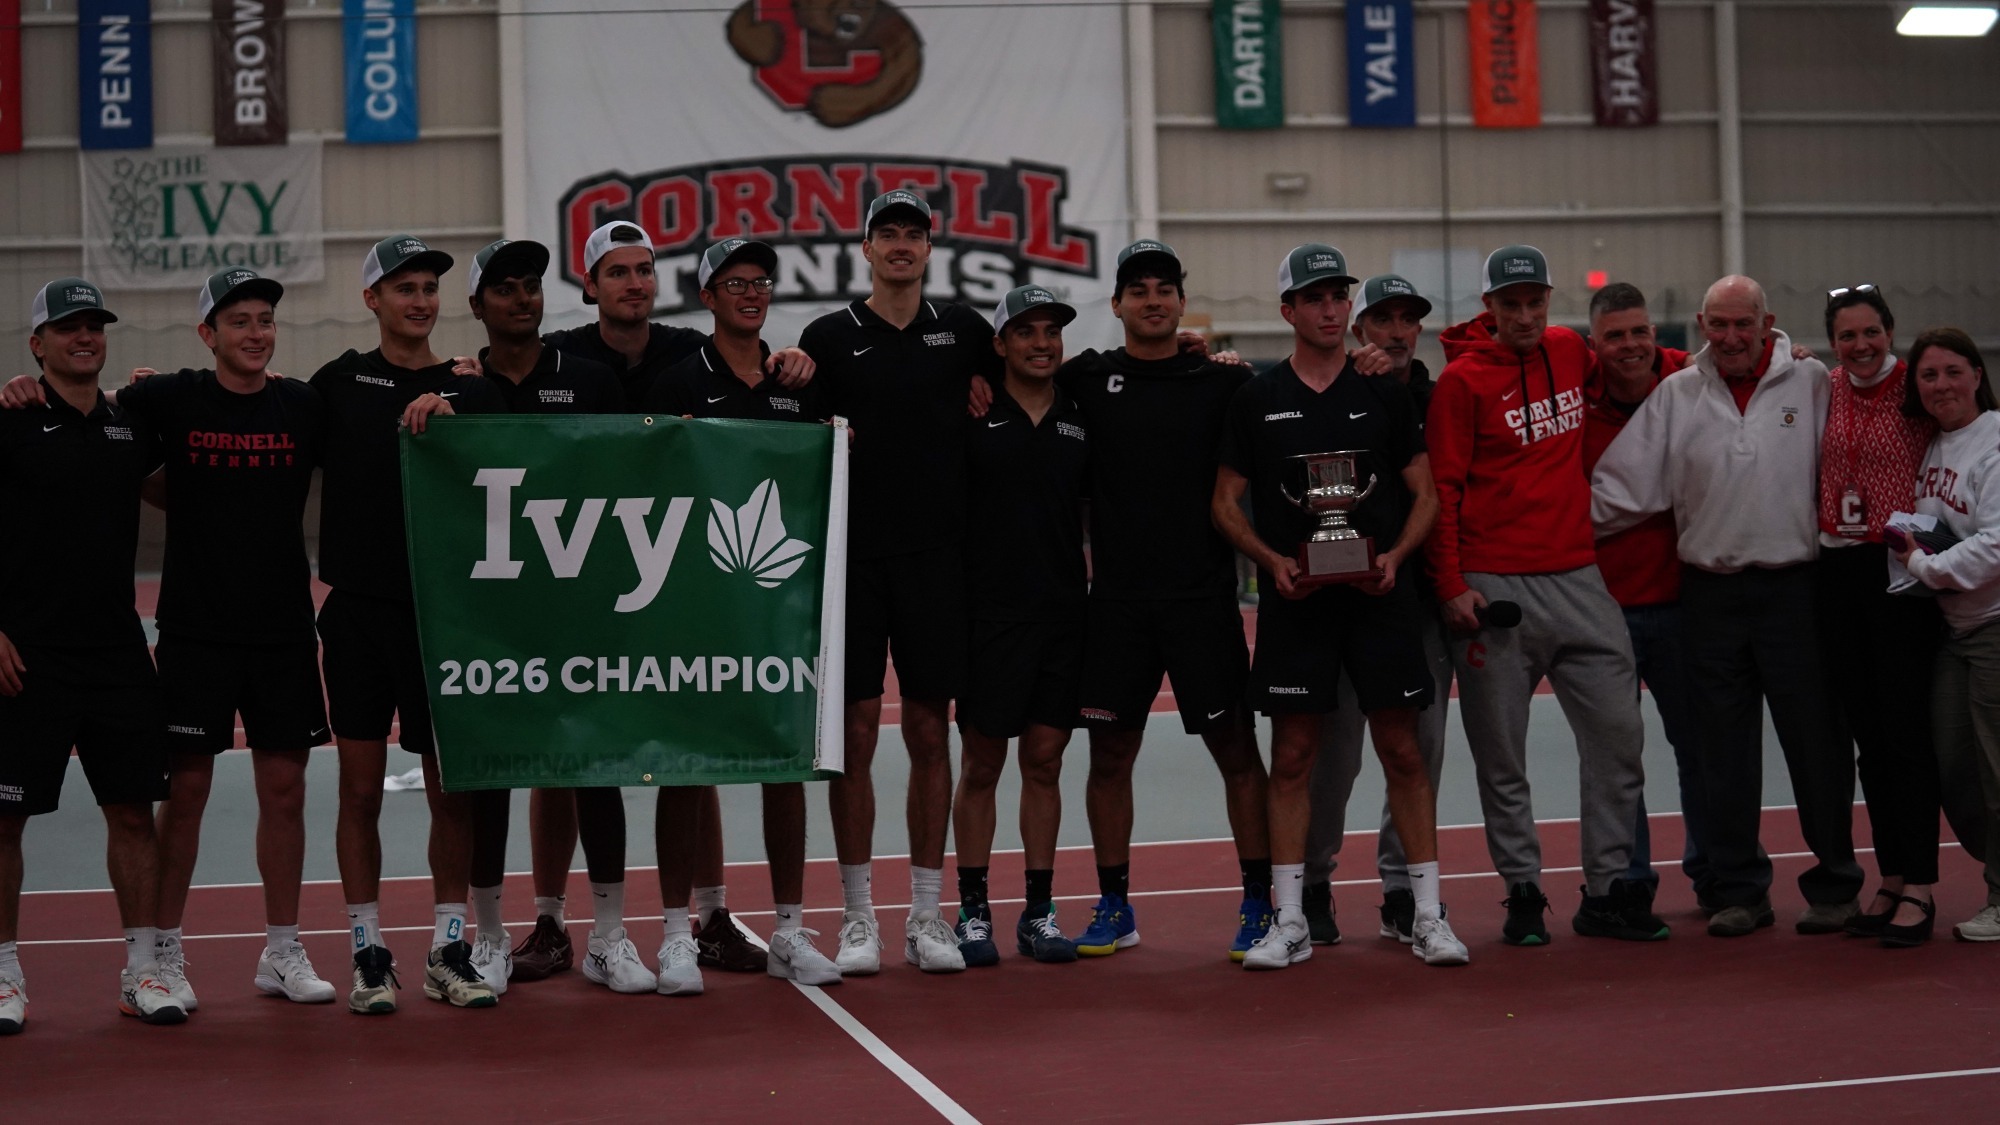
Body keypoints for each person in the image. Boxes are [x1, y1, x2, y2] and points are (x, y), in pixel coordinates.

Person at [30, 270, 337, 1010]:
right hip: (197, 630)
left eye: (265, 319)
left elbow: (365, 434)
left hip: (282, 631)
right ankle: (162, 949)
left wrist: (454, 382)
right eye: (239, 321)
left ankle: (282, 947)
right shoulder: (165, 398)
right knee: (187, 790)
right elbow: (85, 415)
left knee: (286, 791)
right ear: (208, 333)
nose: (256, 333)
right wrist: (23, 383)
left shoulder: (301, 404)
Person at [543, 220, 800, 989]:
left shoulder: (690, 354)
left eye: (644, 270)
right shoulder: (563, 357)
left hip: (681, 577)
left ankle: (710, 917)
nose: (634, 283)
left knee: (696, 748)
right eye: (617, 272)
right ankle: (553, 919)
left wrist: (794, 361)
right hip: (584, 577)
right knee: (567, 750)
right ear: (590, 285)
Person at [1213, 246, 1468, 969]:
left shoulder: (1382, 389)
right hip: (1298, 602)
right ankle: (1290, 918)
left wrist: (1392, 557)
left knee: (1403, 751)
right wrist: (1271, 564)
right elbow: (1223, 502)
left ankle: (1425, 914)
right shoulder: (1256, 398)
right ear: (1287, 309)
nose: (1331, 310)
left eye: (1338, 297)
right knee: (1293, 757)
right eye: (1315, 298)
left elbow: (1425, 494)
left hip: (1379, 599)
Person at [1592, 275, 1863, 938]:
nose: (1733, 338)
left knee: (1817, 744)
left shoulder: (1813, 383)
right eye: (1720, 325)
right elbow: (1619, 486)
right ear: (1702, 325)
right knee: (1723, 752)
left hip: (1796, 591)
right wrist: (1540, 541)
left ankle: (1836, 883)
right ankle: (1741, 887)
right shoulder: (1677, 393)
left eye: (1745, 324)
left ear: (1768, 322)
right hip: (1709, 595)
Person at [1428, 245, 1663, 945]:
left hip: (1580, 578)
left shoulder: (1569, 349)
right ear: (1490, 309)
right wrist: (1451, 586)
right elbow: (1443, 489)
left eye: (1535, 302)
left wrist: (1755, 356)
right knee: (1503, 755)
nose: (1526, 316)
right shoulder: (1462, 384)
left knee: (1620, 739)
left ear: (1549, 302)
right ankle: (1522, 890)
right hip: (1495, 587)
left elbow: (1633, 368)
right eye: (1511, 305)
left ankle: (1609, 888)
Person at [797, 191, 998, 975]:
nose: (903, 246)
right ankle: (856, 916)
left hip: (938, 562)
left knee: (926, 732)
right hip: (852, 564)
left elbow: (1039, 374)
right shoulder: (827, 337)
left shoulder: (967, 332)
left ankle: (925, 912)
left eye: (915, 234)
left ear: (928, 248)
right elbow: (788, 423)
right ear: (867, 248)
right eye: (890, 235)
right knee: (850, 735)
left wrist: (1201, 352)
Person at [1055, 240, 1273, 961]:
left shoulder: (1224, 384)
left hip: (1201, 600)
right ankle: (1114, 904)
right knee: (1109, 755)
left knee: (1236, 751)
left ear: (1181, 301)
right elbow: (1012, 376)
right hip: (1116, 602)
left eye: (1164, 288)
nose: (1152, 299)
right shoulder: (1084, 378)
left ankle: (1258, 903)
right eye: (1137, 289)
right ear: (1116, 304)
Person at [310, 235, 507, 1010]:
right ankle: (366, 951)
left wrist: (458, 402)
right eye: (403, 288)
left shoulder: (472, 386)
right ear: (372, 300)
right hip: (357, 614)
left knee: (448, 791)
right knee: (358, 791)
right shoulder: (335, 384)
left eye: (428, 287)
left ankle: (450, 948)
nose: (419, 299)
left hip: (444, 616)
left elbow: (510, 427)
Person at [639, 237, 841, 988]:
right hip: (698, 601)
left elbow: (830, 471)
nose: (750, 292)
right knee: (685, 764)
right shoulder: (677, 381)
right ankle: (676, 933)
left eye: (760, 281)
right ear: (708, 296)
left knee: (784, 763)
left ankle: (788, 928)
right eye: (734, 282)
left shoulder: (799, 383)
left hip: (780, 607)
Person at [0, 279, 179, 1032]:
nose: (85, 337)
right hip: (25, 656)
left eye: (94, 327)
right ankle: (4, 975)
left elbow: (180, 491)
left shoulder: (127, 424)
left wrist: (168, 405)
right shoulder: (6, 420)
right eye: (68, 328)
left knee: (133, 812)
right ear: (37, 344)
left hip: (115, 652)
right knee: (4, 820)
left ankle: (143, 970)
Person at [458, 238, 626, 992]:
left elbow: (639, 476)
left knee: (597, 764)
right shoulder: (457, 392)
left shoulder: (592, 380)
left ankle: (611, 935)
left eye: (532, 286)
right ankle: (490, 935)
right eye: (506, 288)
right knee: (491, 772)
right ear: (479, 307)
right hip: (492, 620)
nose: (523, 298)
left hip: (580, 616)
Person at [1301, 273, 1455, 947]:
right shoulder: (1339, 388)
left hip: (1414, 605)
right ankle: (1311, 883)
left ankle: (1402, 892)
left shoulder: (1437, 395)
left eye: (1408, 319)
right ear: (1358, 327)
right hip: (1335, 606)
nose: (1397, 329)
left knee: (1417, 754)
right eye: (1382, 318)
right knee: (1332, 759)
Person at [947, 285, 1089, 967]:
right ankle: (973, 911)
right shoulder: (971, 411)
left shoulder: (1080, 411)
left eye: (1051, 332)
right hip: (989, 619)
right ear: (999, 343)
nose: (1041, 343)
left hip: (1064, 616)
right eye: (1025, 332)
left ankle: (1039, 911)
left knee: (1045, 760)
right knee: (982, 763)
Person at [1812, 285, 1941, 944]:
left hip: (1901, 575)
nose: (1860, 345)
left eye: (1871, 332)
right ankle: (1891, 874)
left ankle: (1920, 880)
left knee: (1904, 733)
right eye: (1847, 335)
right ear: (1833, 340)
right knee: (1866, 738)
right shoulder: (1823, 386)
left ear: (1890, 330)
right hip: (1837, 571)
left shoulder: (1917, 388)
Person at [1579, 282, 1707, 909]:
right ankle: (1625, 884)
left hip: (1686, 605)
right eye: (1614, 336)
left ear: (1656, 333)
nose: (1630, 346)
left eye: (1639, 332)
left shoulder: (1693, 383)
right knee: (1614, 760)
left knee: (1702, 747)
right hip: (1605, 611)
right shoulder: (1574, 404)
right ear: (1593, 344)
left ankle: (1717, 874)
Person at [1894, 328, 2000, 944]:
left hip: (1994, 630)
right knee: (1955, 770)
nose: (1941, 385)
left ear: (1978, 374)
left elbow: (1995, 541)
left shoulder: (1994, 441)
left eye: (1953, 371)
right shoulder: (1935, 448)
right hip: (1953, 632)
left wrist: (1925, 567)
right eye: (1929, 376)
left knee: (1996, 772)